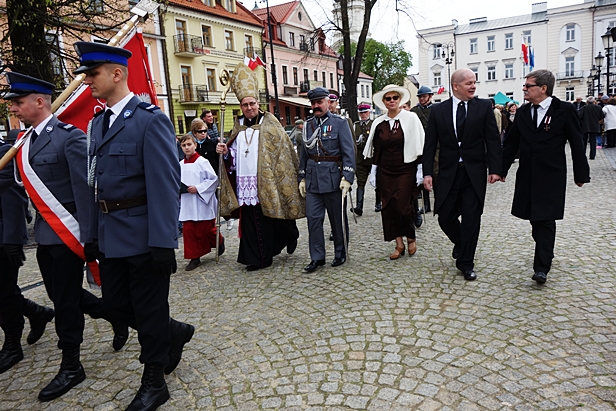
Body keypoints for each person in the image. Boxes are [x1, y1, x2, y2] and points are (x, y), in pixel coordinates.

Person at [75, 41, 194, 410]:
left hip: (143, 235)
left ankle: (155, 381)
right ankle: (173, 331)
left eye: (92, 74)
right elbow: (95, 184)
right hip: (110, 235)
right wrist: (92, 235)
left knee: (149, 309)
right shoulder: (98, 124)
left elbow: (163, 183)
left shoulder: (149, 119)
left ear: (116, 73)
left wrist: (163, 241)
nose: (87, 82)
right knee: (115, 305)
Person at [5, 72, 128, 401]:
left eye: (18, 102)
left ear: (39, 101)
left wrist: (90, 236)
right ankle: (118, 317)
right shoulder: (24, 141)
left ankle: (72, 365)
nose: (13, 108)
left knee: (65, 302)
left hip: (69, 234)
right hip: (46, 236)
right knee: (67, 295)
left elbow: (86, 190)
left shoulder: (69, 138)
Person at [502, 69, 590, 285]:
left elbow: (577, 143)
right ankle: (545, 251)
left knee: (546, 219)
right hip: (528, 175)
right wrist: (500, 170)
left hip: (552, 175)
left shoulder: (564, 110)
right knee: (534, 218)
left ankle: (541, 267)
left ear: (543, 88)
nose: (524, 89)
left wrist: (581, 174)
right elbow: (511, 143)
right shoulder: (522, 113)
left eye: (528, 86)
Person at [215, 63, 303, 271]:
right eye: (245, 105)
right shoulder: (238, 126)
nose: (249, 108)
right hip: (246, 182)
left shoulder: (270, 124)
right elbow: (235, 153)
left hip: (268, 180)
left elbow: (283, 152)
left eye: (252, 103)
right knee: (252, 222)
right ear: (241, 106)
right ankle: (258, 258)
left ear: (258, 103)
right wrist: (226, 152)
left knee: (275, 217)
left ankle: (290, 235)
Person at [423, 68, 502, 281]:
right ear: (455, 86)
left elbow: (492, 140)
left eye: (474, 82)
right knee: (445, 216)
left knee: (471, 219)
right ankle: (461, 243)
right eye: (469, 83)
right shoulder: (439, 111)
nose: (473, 86)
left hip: (474, 173)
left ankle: (466, 262)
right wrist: (427, 172)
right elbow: (430, 144)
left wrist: (495, 168)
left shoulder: (484, 107)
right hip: (448, 173)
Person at [0, 137, 55, 375]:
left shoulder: (5, 152)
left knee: (4, 292)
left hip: (2, 238)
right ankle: (36, 312)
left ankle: (12, 344)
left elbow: (13, 199)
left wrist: (12, 240)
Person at [363, 84, 425, 259]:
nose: (391, 101)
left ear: (400, 100)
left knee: (403, 206)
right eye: (388, 98)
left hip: (406, 168)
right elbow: (377, 148)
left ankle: (411, 237)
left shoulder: (411, 118)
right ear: (383, 102)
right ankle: (398, 243)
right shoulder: (379, 123)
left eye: (394, 98)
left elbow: (418, 143)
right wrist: (374, 170)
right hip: (385, 170)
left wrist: (420, 168)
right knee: (388, 207)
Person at [299, 87, 355, 273]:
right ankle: (317, 257)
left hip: (333, 178)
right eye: (313, 103)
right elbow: (304, 154)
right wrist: (302, 177)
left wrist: (347, 176)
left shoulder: (339, 123)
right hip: (313, 179)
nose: (316, 106)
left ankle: (340, 252)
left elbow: (349, 152)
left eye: (319, 102)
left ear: (328, 102)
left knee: (336, 219)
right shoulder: (308, 125)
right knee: (313, 220)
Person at [179, 134, 223, 271]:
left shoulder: (202, 162)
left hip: (201, 200)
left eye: (189, 144)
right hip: (187, 202)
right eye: (184, 145)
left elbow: (213, 179)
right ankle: (194, 257)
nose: (187, 148)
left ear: (195, 145)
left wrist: (198, 188)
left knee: (206, 229)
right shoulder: (179, 165)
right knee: (190, 230)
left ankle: (219, 241)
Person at [410, 85, 436, 221]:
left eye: (424, 96)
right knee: (423, 175)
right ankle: (426, 204)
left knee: (437, 174)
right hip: (420, 146)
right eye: (420, 97)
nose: (422, 99)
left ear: (430, 97)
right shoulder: (414, 112)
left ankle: (438, 203)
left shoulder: (436, 110)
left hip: (436, 146)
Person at [350, 103, 374, 216]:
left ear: (369, 112)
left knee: (378, 182)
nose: (363, 115)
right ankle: (359, 206)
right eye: (361, 113)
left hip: (373, 158)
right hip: (360, 159)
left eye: (365, 112)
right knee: (360, 183)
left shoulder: (374, 124)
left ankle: (379, 203)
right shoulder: (355, 125)